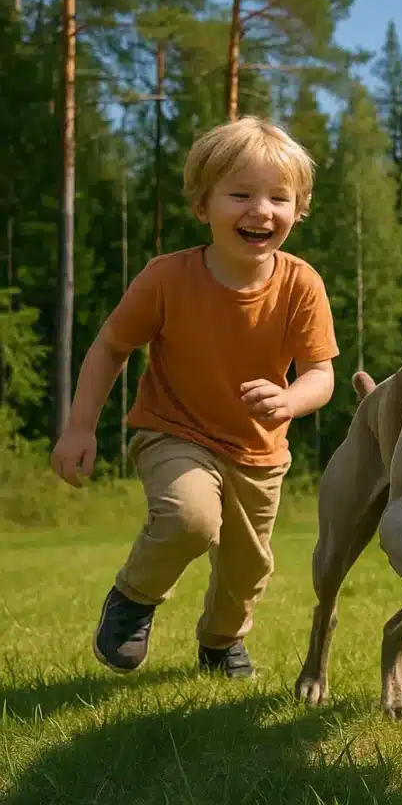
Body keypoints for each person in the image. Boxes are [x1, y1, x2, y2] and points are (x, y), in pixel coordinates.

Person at [50, 116, 339, 677]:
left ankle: (220, 642)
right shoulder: (166, 279)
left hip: (259, 452)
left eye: (279, 198)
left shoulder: (302, 284)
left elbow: (320, 375)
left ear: (298, 211)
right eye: (240, 194)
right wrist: (80, 427)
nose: (261, 210)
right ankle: (133, 599)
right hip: (173, 430)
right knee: (190, 518)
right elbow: (111, 345)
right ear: (202, 205)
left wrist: (290, 400)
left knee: (246, 569)